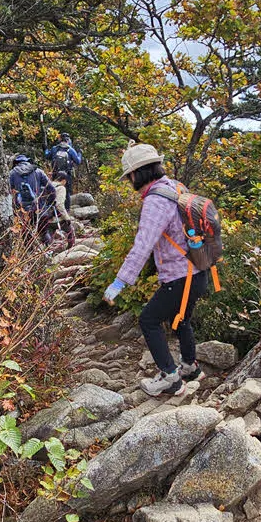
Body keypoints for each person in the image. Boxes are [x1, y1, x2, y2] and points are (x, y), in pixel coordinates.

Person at [103, 143, 208, 397]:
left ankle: (170, 378)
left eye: (128, 175)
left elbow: (143, 245)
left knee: (148, 319)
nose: (129, 181)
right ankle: (190, 368)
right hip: (200, 269)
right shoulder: (176, 186)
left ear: (137, 173)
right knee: (180, 319)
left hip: (180, 276)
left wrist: (119, 283)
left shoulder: (155, 200)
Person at [8, 154, 55, 244]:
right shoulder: (38, 171)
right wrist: (50, 203)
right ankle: (48, 252)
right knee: (43, 232)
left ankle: (30, 254)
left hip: (21, 211)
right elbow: (51, 188)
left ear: (16, 163)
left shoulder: (12, 173)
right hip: (38, 208)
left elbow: (7, 192)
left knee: (25, 234)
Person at [45, 133, 83, 209]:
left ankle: (55, 209)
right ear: (68, 140)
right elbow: (78, 161)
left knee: (55, 190)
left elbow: (47, 156)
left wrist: (45, 149)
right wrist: (80, 153)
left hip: (55, 174)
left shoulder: (54, 148)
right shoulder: (70, 150)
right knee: (67, 192)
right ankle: (67, 210)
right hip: (67, 174)